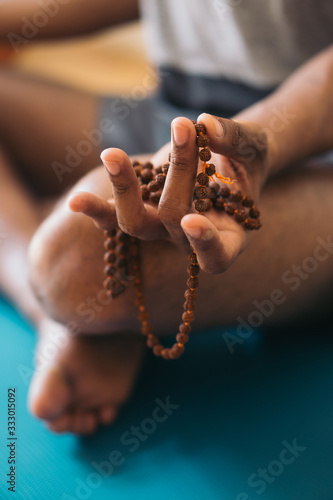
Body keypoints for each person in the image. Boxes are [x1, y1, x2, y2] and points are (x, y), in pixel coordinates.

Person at [0, 0, 333, 435]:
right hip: (177, 122)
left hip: (308, 147)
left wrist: (256, 142)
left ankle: (90, 307)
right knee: (76, 257)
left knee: (75, 257)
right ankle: (65, 318)